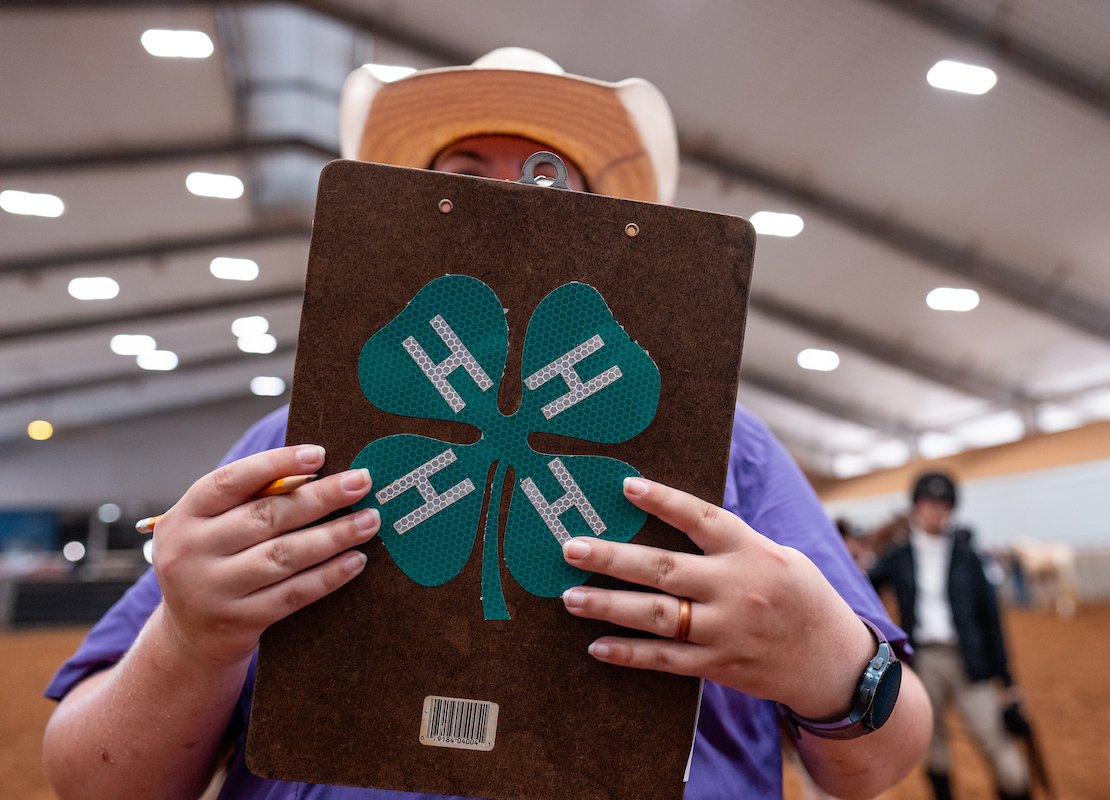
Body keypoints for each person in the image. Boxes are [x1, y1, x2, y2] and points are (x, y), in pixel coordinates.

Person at [43, 48, 931, 800]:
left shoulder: (729, 448)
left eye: (550, 180)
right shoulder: (294, 442)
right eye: (464, 179)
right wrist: (190, 641)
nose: (512, 205)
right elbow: (89, 775)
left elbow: (884, 759)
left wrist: (832, 663)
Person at [869, 473, 1030, 800]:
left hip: (969, 658)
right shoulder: (897, 556)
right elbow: (863, 590)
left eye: (943, 504)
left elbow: (992, 620)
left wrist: (1008, 680)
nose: (935, 510)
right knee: (933, 744)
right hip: (922, 659)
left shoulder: (968, 556)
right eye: (928, 503)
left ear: (951, 509)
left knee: (995, 740)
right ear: (916, 506)